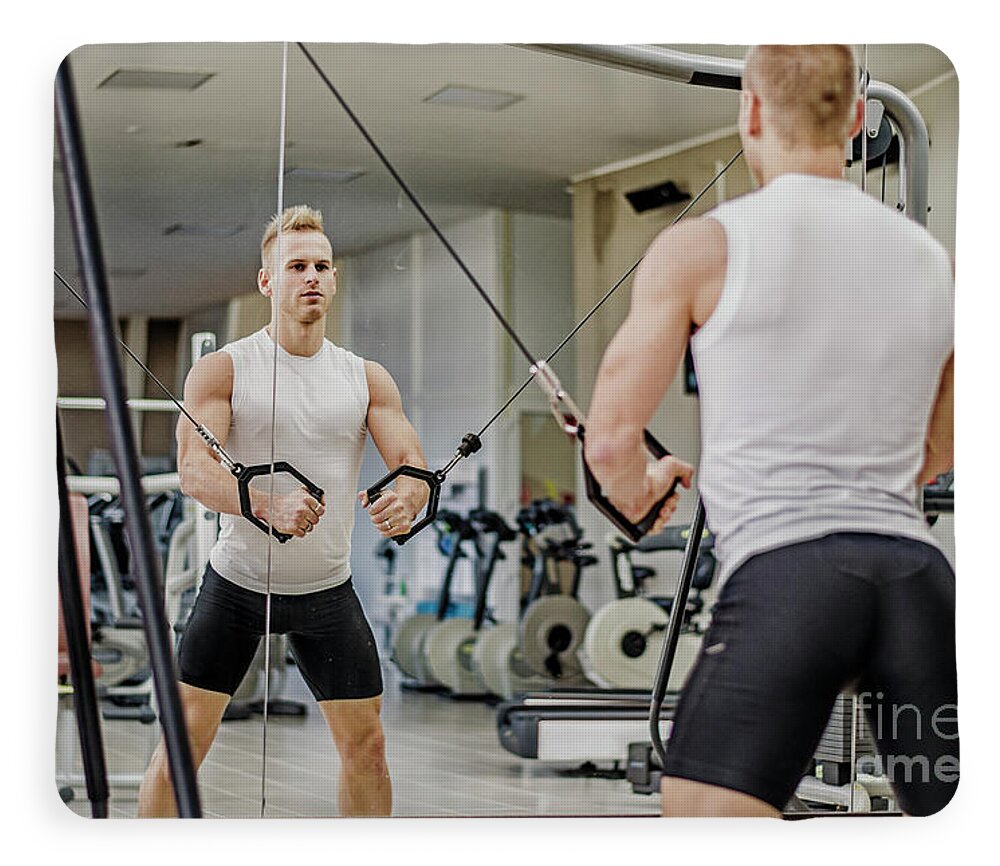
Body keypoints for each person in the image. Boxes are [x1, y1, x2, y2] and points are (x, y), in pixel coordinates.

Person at [585, 45, 956, 817]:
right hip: (917, 585)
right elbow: (941, 448)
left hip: (791, 582)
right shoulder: (932, 261)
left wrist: (642, 492)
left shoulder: (702, 247)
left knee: (703, 823)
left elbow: (614, 440)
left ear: (749, 111)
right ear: (856, 117)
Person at [138, 205, 429, 817]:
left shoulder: (365, 378)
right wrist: (262, 503)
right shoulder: (224, 369)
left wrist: (408, 497)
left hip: (327, 590)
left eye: (322, 265)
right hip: (238, 586)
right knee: (182, 749)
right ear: (268, 281)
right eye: (296, 266)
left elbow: (411, 466)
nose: (312, 277)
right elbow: (194, 470)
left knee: (368, 748)